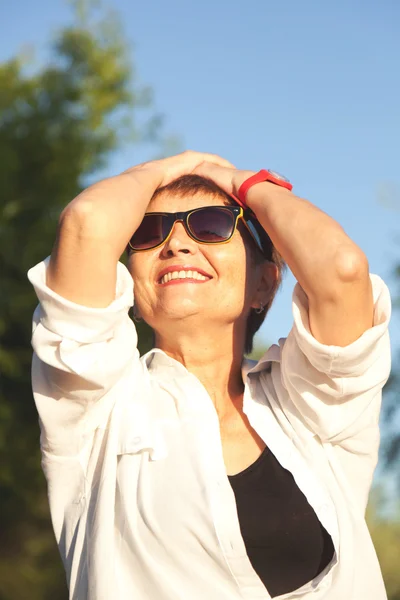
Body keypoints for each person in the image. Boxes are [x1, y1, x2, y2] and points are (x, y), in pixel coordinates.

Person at [28, 151, 391, 600]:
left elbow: (342, 270)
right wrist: (166, 168)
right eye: (148, 231)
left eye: (213, 225)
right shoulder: (97, 407)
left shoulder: (314, 406)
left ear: (264, 283)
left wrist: (243, 182)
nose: (176, 244)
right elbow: (85, 224)